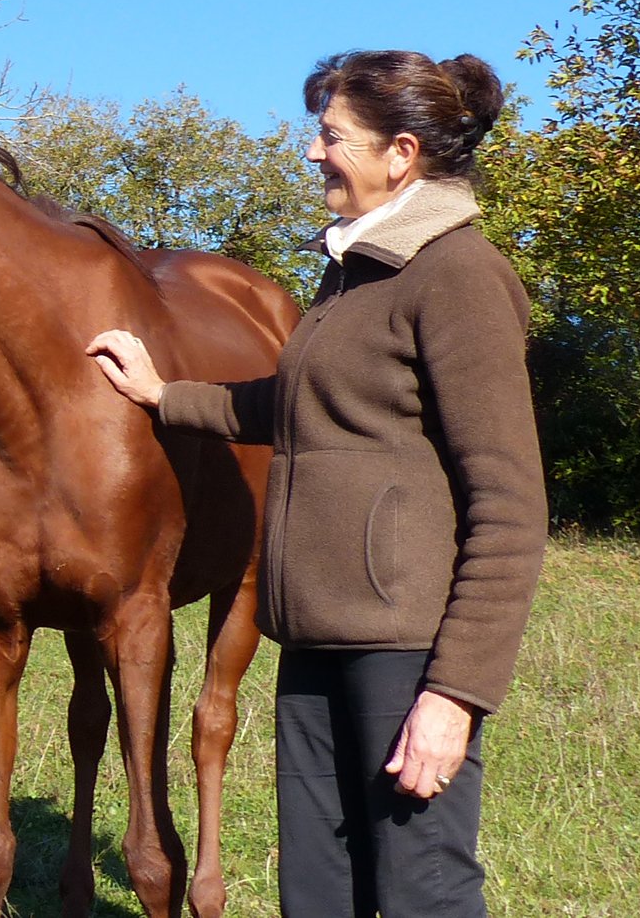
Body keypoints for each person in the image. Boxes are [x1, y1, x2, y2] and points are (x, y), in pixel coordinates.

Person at [86, 51, 546, 917]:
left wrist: (455, 692)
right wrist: (162, 394)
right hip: (311, 636)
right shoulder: (354, 270)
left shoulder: (457, 274)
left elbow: (510, 503)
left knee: (420, 889)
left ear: (400, 152)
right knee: (318, 890)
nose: (312, 152)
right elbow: (296, 403)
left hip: (404, 649)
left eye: (332, 136)